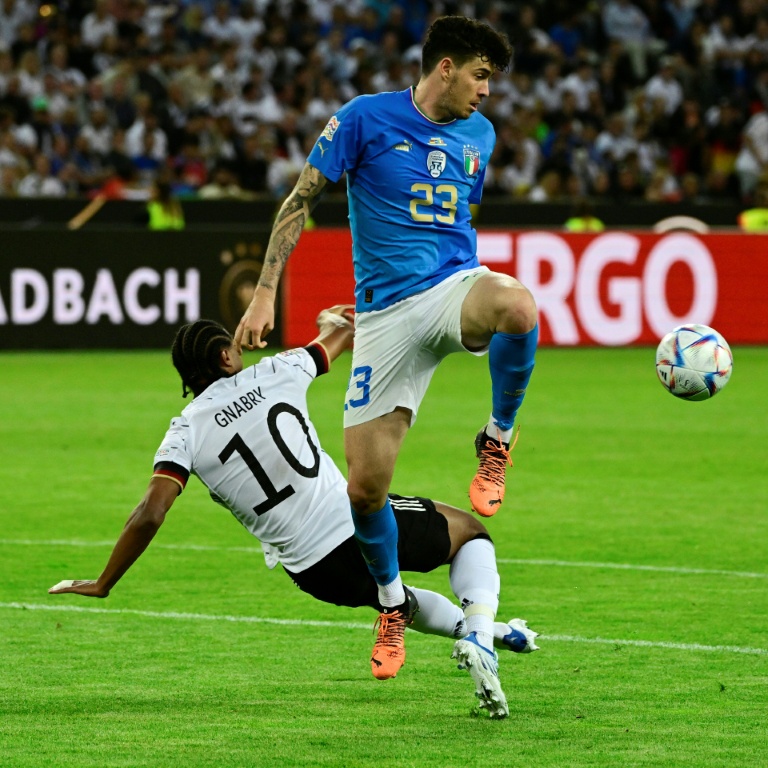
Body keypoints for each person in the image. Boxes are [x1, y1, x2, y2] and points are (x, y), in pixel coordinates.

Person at [48, 306, 540, 720]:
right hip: (351, 525)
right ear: (225, 357)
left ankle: (496, 635)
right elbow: (343, 331)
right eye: (234, 349)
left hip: (313, 573)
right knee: (471, 534)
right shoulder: (277, 370)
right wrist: (329, 317)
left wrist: (104, 581)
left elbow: (150, 513)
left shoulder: (184, 432)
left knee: (400, 603)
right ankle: (480, 635)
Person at [234, 16, 539, 681]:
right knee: (366, 492)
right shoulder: (364, 119)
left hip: (451, 286)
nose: (489, 92)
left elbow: (460, 215)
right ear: (446, 67)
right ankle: (392, 604)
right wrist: (264, 295)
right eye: (482, 75)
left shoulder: (480, 136)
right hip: (384, 318)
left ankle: (497, 439)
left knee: (518, 306)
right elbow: (300, 199)